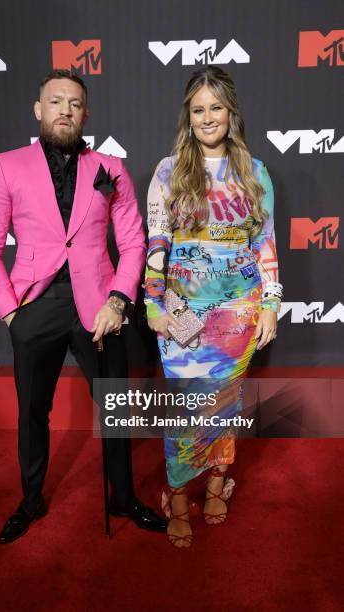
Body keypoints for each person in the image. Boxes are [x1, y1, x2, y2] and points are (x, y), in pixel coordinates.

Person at [0, 69, 167, 544]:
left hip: (100, 305)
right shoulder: (5, 166)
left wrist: (119, 300)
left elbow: (134, 241)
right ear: (38, 110)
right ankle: (31, 500)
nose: (65, 109)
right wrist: (11, 313)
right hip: (34, 305)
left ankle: (123, 498)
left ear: (86, 113)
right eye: (55, 101)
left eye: (75, 103)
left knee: (115, 409)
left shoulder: (110, 167)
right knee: (32, 411)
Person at [144, 67, 282, 548]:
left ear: (231, 112)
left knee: (224, 408)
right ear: (189, 115)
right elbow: (157, 242)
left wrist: (270, 304)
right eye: (198, 109)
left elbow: (265, 244)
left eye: (216, 108)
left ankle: (219, 483)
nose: (208, 118)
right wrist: (152, 302)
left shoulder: (254, 172)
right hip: (182, 315)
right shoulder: (168, 171)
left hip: (238, 315)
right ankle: (179, 497)